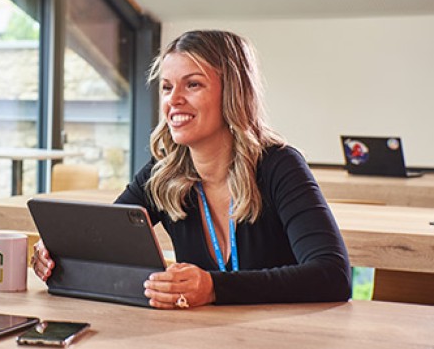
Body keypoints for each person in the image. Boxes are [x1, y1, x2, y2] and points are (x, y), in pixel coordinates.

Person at [32, 30, 352, 309]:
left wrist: (213, 288)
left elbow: (333, 275)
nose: (174, 100)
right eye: (167, 87)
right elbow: (104, 241)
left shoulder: (279, 165)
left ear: (232, 93)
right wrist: (60, 251)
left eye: (193, 85)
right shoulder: (163, 174)